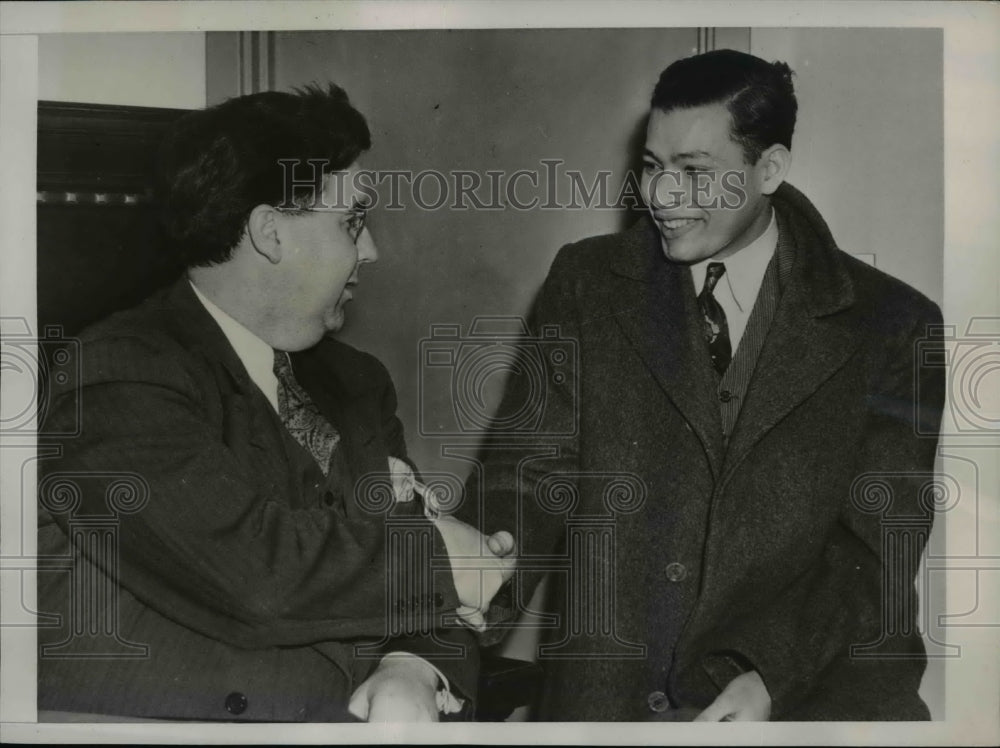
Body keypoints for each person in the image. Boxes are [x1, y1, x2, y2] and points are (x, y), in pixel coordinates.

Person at [460, 50, 945, 721]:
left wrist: (769, 674)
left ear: (769, 169)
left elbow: (876, 550)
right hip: (611, 707)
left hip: (812, 700)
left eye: (693, 173)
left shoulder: (895, 325)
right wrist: (458, 600)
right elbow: (525, 476)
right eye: (654, 167)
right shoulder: (586, 282)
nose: (662, 197)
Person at [36, 84, 513, 723]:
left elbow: (412, 588)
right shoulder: (119, 372)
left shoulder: (356, 382)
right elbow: (255, 578)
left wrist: (413, 667)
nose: (370, 251)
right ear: (269, 233)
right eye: (353, 221)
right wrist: (442, 558)